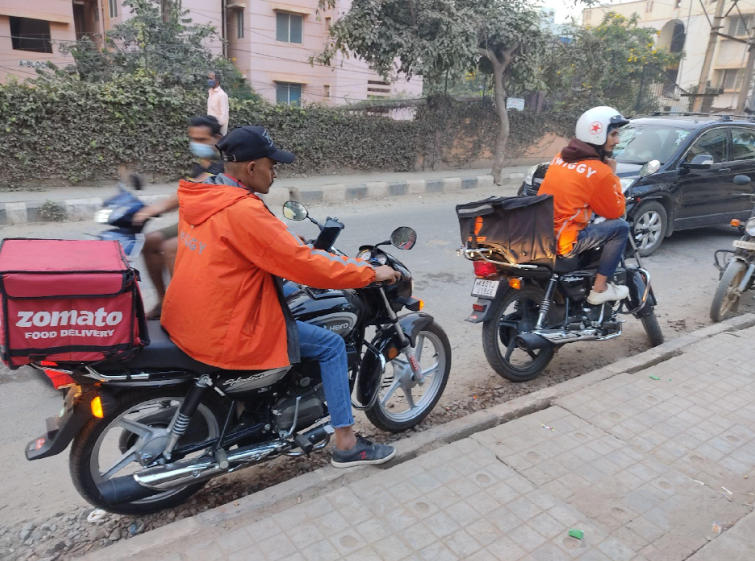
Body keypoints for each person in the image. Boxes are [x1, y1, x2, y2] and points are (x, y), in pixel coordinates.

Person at [161, 125, 401, 468]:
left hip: (190, 312)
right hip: (224, 326)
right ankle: (347, 445)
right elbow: (305, 267)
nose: (275, 173)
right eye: (271, 166)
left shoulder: (205, 195)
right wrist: (366, 273)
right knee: (331, 346)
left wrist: (287, 244)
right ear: (252, 168)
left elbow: (235, 247)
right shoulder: (244, 209)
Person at [538, 106, 631, 305]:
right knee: (621, 228)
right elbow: (616, 211)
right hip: (564, 240)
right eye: (613, 134)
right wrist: (612, 175)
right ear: (597, 134)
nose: (617, 140)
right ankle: (599, 289)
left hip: (539, 234)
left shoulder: (559, 159)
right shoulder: (600, 172)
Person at [134, 115, 224, 319]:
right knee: (149, 241)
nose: (196, 144)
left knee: (170, 247)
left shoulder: (225, 161)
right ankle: (162, 302)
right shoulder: (204, 162)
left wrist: (155, 208)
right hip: (197, 220)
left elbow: (192, 188)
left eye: (202, 140)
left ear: (217, 138)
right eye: (193, 139)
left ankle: (185, 310)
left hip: (216, 223)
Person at [207, 71, 229, 135]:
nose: (209, 80)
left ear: (217, 81)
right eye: (208, 78)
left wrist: (217, 128)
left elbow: (224, 115)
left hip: (218, 131)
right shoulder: (211, 93)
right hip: (211, 128)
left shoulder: (222, 95)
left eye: (211, 79)